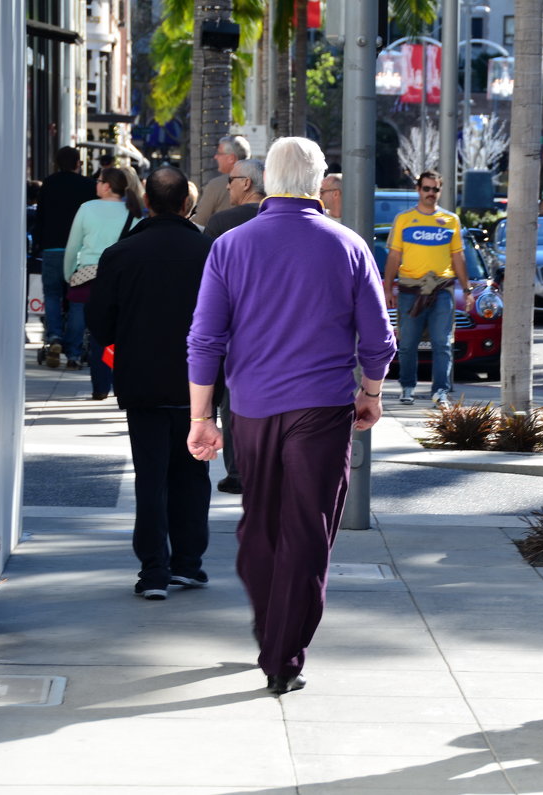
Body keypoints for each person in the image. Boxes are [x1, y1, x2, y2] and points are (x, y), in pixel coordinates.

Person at [186, 136, 396, 696]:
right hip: (322, 409)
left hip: (250, 410)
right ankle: (283, 652)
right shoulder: (348, 245)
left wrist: (200, 418)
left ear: (266, 179)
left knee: (260, 524)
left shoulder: (231, 245)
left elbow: (205, 338)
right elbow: (378, 338)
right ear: (318, 180)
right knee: (306, 530)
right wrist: (371, 392)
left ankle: (270, 629)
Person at [86, 167, 215, 601]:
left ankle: (154, 570)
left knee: (151, 476)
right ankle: (189, 564)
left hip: (141, 382)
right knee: (193, 475)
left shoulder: (120, 254)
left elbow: (99, 324)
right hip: (197, 384)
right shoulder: (209, 252)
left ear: (147, 202)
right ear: (186, 204)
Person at [382, 169, 474, 407]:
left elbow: (458, 258)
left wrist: (467, 290)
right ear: (418, 189)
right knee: (408, 343)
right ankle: (407, 387)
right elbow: (394, 256)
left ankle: (440, 392)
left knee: (443, 343)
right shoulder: (404, 219)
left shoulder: (451, 220)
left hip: (442, 291)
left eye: (435, 189)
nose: (431, 193)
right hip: (410, 291)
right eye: (426, 189)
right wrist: (387, 288)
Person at [202, 157, 266, 495]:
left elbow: (205, 283)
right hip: (278, 330)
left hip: (234, 331)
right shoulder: (284, 222)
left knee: (233, 403)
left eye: (231, 180)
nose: (227, 186)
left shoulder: (222, 223)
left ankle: (239, 472)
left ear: (247, 183)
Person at [63, 166, 142, 398]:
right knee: (118, 334)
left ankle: (99, 386)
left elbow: (73, 246)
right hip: (121, 279)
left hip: (87, 278)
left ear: (107, 186)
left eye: (98, 180)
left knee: (94, 332)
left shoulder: (86, 208)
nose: (96, 184)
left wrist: (69, 275)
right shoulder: (134, 212)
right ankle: (120, 383)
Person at [34, 146, 97, 368]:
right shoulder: (88, 186)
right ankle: (73, 352)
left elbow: (40, 216)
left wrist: (38, 246)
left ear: (56, 162)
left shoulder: (49, 183)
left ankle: (54, 337)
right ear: (78, 163)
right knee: (78, 301)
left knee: (51, 295)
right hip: (79, 252)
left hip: (52, 248)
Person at [191, 134, 250, 227]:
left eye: (219, 153)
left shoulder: (217, 185)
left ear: (231, 158)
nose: (215, 157)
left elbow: (199, 222)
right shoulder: (260, 181)